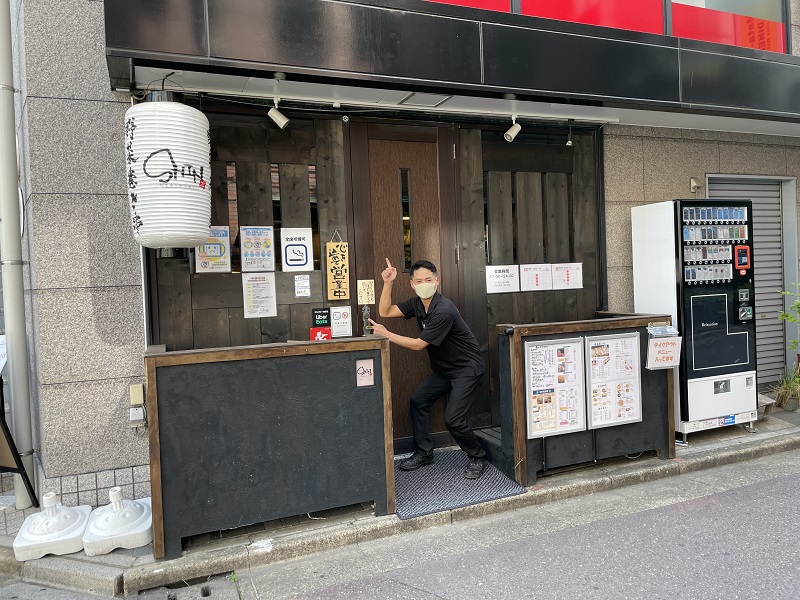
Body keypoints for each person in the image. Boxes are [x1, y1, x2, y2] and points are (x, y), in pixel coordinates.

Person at [368, 258, 488, 480]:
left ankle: (477, 455)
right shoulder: (416, 304)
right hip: (444, 369)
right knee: (418, 401)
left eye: (429, 279)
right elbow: (385, 311)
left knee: (452, 418)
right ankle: (425, 453)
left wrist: (386, 334)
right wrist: (388, 282)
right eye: (419, 280)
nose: (425, 283)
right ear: (412, 284)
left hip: (466, 369)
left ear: (437, 281)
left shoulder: (443, 310)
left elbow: (418, 345)